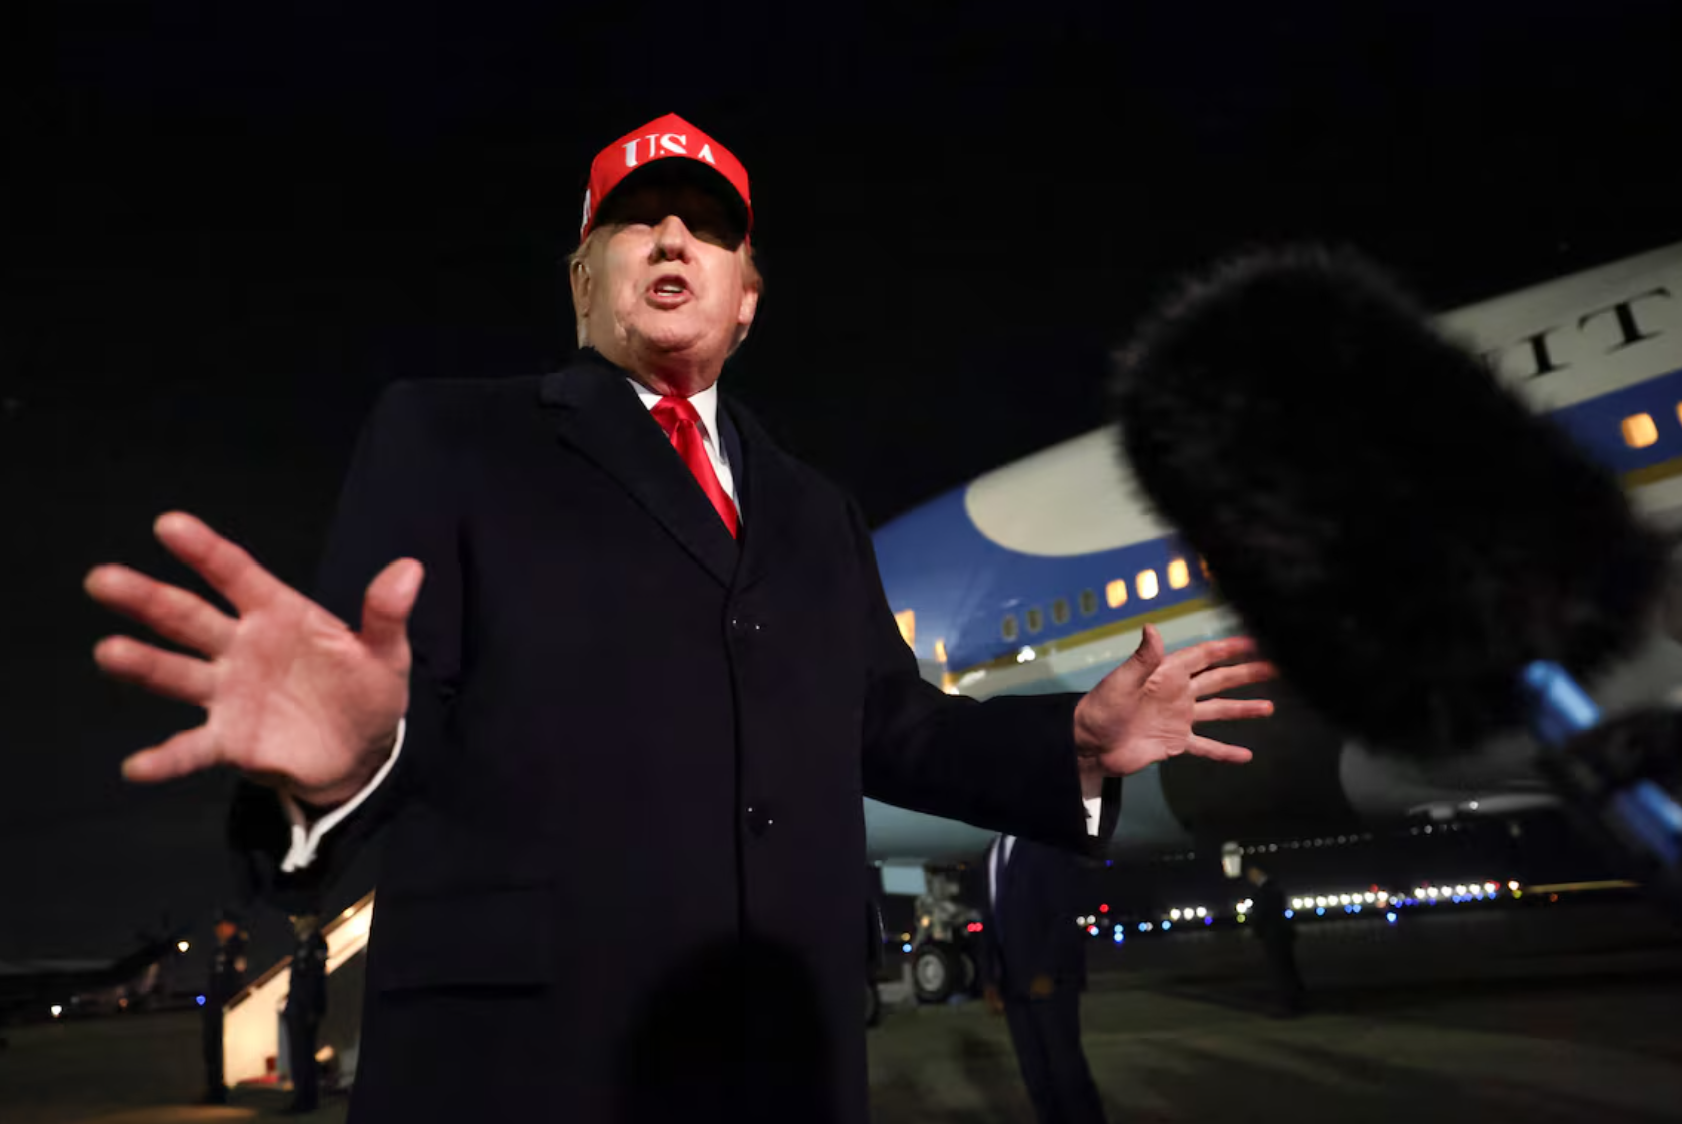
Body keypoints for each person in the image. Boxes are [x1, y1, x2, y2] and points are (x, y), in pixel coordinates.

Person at [83, 112, 1277, 1124]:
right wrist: (341, 767)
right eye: (635, 221)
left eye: (706, 228)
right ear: (580, 281)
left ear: (745, 298)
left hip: (784, 1055)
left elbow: (888, 722)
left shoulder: (814, 509)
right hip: (524, 1064)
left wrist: (1068, 741)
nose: (670, 239)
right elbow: (393, 691)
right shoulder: (447, 437)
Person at [982, 834, 1107, 1124]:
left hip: (1050, 984)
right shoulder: (990, 853)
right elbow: (988, 919)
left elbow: (1065, 914)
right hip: (1013, 987)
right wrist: (988, 979)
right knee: (1036, 1079)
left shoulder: (1045, 844)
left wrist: (1048, 972)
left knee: (1068, 1078)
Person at [283, 913, 330, 1113]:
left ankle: (306, 1099)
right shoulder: (301, 944)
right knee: (299, 1056)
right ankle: (302, 1097)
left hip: (305, 1009)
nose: (295, 923)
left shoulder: (316, 943)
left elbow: (315, 977)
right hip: (297, 1007)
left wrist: (312, 1008)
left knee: (304, 1056)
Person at [201, 909, 248, 1104]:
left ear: (231, 927)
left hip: (225, 1006)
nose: (218, 930)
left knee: (220, 1050)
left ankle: (219, 1092)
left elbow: (236, 979)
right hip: (213, 1006)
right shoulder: (219, 950)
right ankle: (213, 1089)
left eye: (222, 926)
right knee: (210, 1049)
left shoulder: (237, 948)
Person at [1246, 864, 1305, 1015]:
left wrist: (1257, 929)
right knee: (1287, 968)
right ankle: (1294, 1001)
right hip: (1281, 932)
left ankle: (1286, 1003)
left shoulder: (1264, 891)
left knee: (1279, 970)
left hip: (1272, 934)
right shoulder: (1275, 888)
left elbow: (1262, 913)